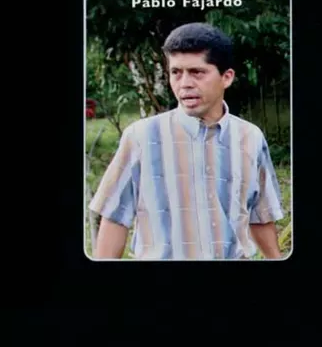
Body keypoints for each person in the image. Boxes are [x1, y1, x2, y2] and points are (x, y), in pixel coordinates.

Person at [89, 22, 287, 261]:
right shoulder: (141, 137)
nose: (184, 84)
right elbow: (114, 217)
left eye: (197, 72)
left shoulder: (250, 137)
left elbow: (260, 216)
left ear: (227, 77)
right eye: (176, 72)